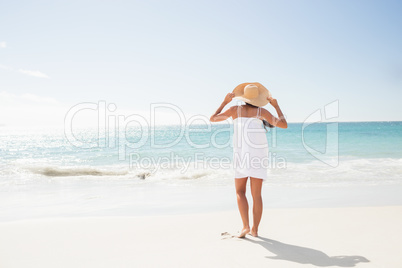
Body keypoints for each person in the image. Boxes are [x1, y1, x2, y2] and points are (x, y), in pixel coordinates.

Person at [210, 82, 287, 238]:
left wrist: (224, 102)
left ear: (243, 97)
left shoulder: (234, 110)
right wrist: (276, 106)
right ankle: (255, 230)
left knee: (240, 191)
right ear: (257, 99)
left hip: (241, 155)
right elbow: (283, 125)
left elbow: (213, 118)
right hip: (258, 155)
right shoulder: (262, 112)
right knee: (256, 195)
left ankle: (245, 226)